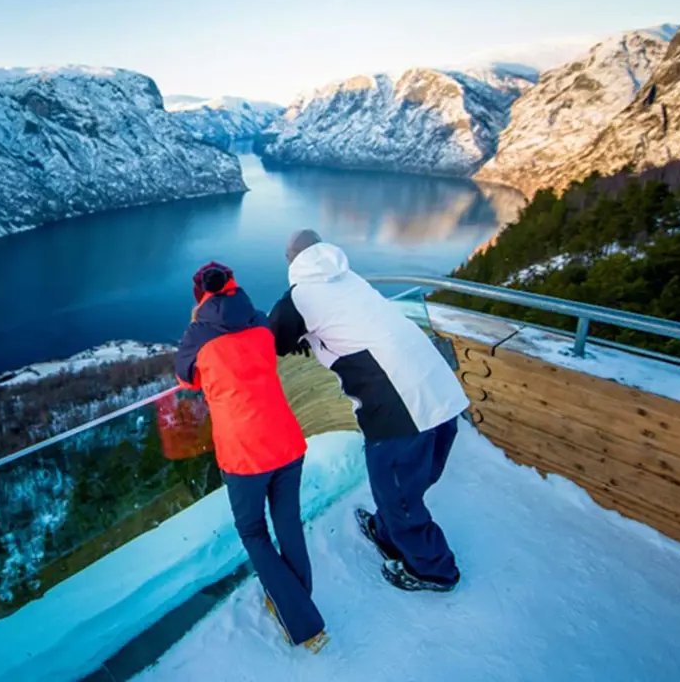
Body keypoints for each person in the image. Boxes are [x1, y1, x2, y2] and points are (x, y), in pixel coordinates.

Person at [269, 230, 469, 592]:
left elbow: (268, 341)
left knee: (398, 493)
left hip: (401, 409)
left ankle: (434, 570)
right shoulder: (349, 277)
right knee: (406, 484)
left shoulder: (299, 297)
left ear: (293, 260)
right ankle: (386, 533)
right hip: (441, 392)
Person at [175, 261, 329, 652]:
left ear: (200, 296)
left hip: (244, 452)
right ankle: (297, 597)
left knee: (253, 532)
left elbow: (185, 378)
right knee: (288, 523)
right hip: (286, 438)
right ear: (233, 285)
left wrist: (198, 324)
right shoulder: (260, 321)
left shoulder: (198, 333)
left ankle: (303, 621)